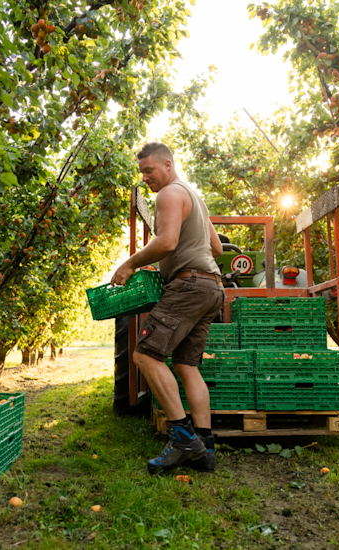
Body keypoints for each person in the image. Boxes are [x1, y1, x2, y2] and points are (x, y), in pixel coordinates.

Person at [111, 142, 224, 474]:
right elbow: (216, 247)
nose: (145, 177)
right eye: (142, 172)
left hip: (189, 286)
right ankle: (205, 448)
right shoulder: (194, 196)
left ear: (168, 165)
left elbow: (166, 241)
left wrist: (129, 264)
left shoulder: (169, 194)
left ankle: (184, 439)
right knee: (187, 365)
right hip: (211, 287)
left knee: (145, 355)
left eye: (149, 170)